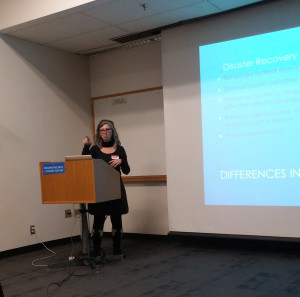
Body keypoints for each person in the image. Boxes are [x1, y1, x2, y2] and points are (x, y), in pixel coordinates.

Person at [82, 119, 130, 257]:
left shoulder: (120, 149)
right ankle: (96, 251)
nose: (105, 132)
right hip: (100, 189)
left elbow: (127, 171)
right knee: (98, 221)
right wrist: (86, 147)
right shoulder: (95, 150)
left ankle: (117, 250)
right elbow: (83, 164)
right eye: (102, 130)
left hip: (115, 189)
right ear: (99, 132)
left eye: (108, 129)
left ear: (113, 131)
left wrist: (122, 161)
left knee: (116, 220)